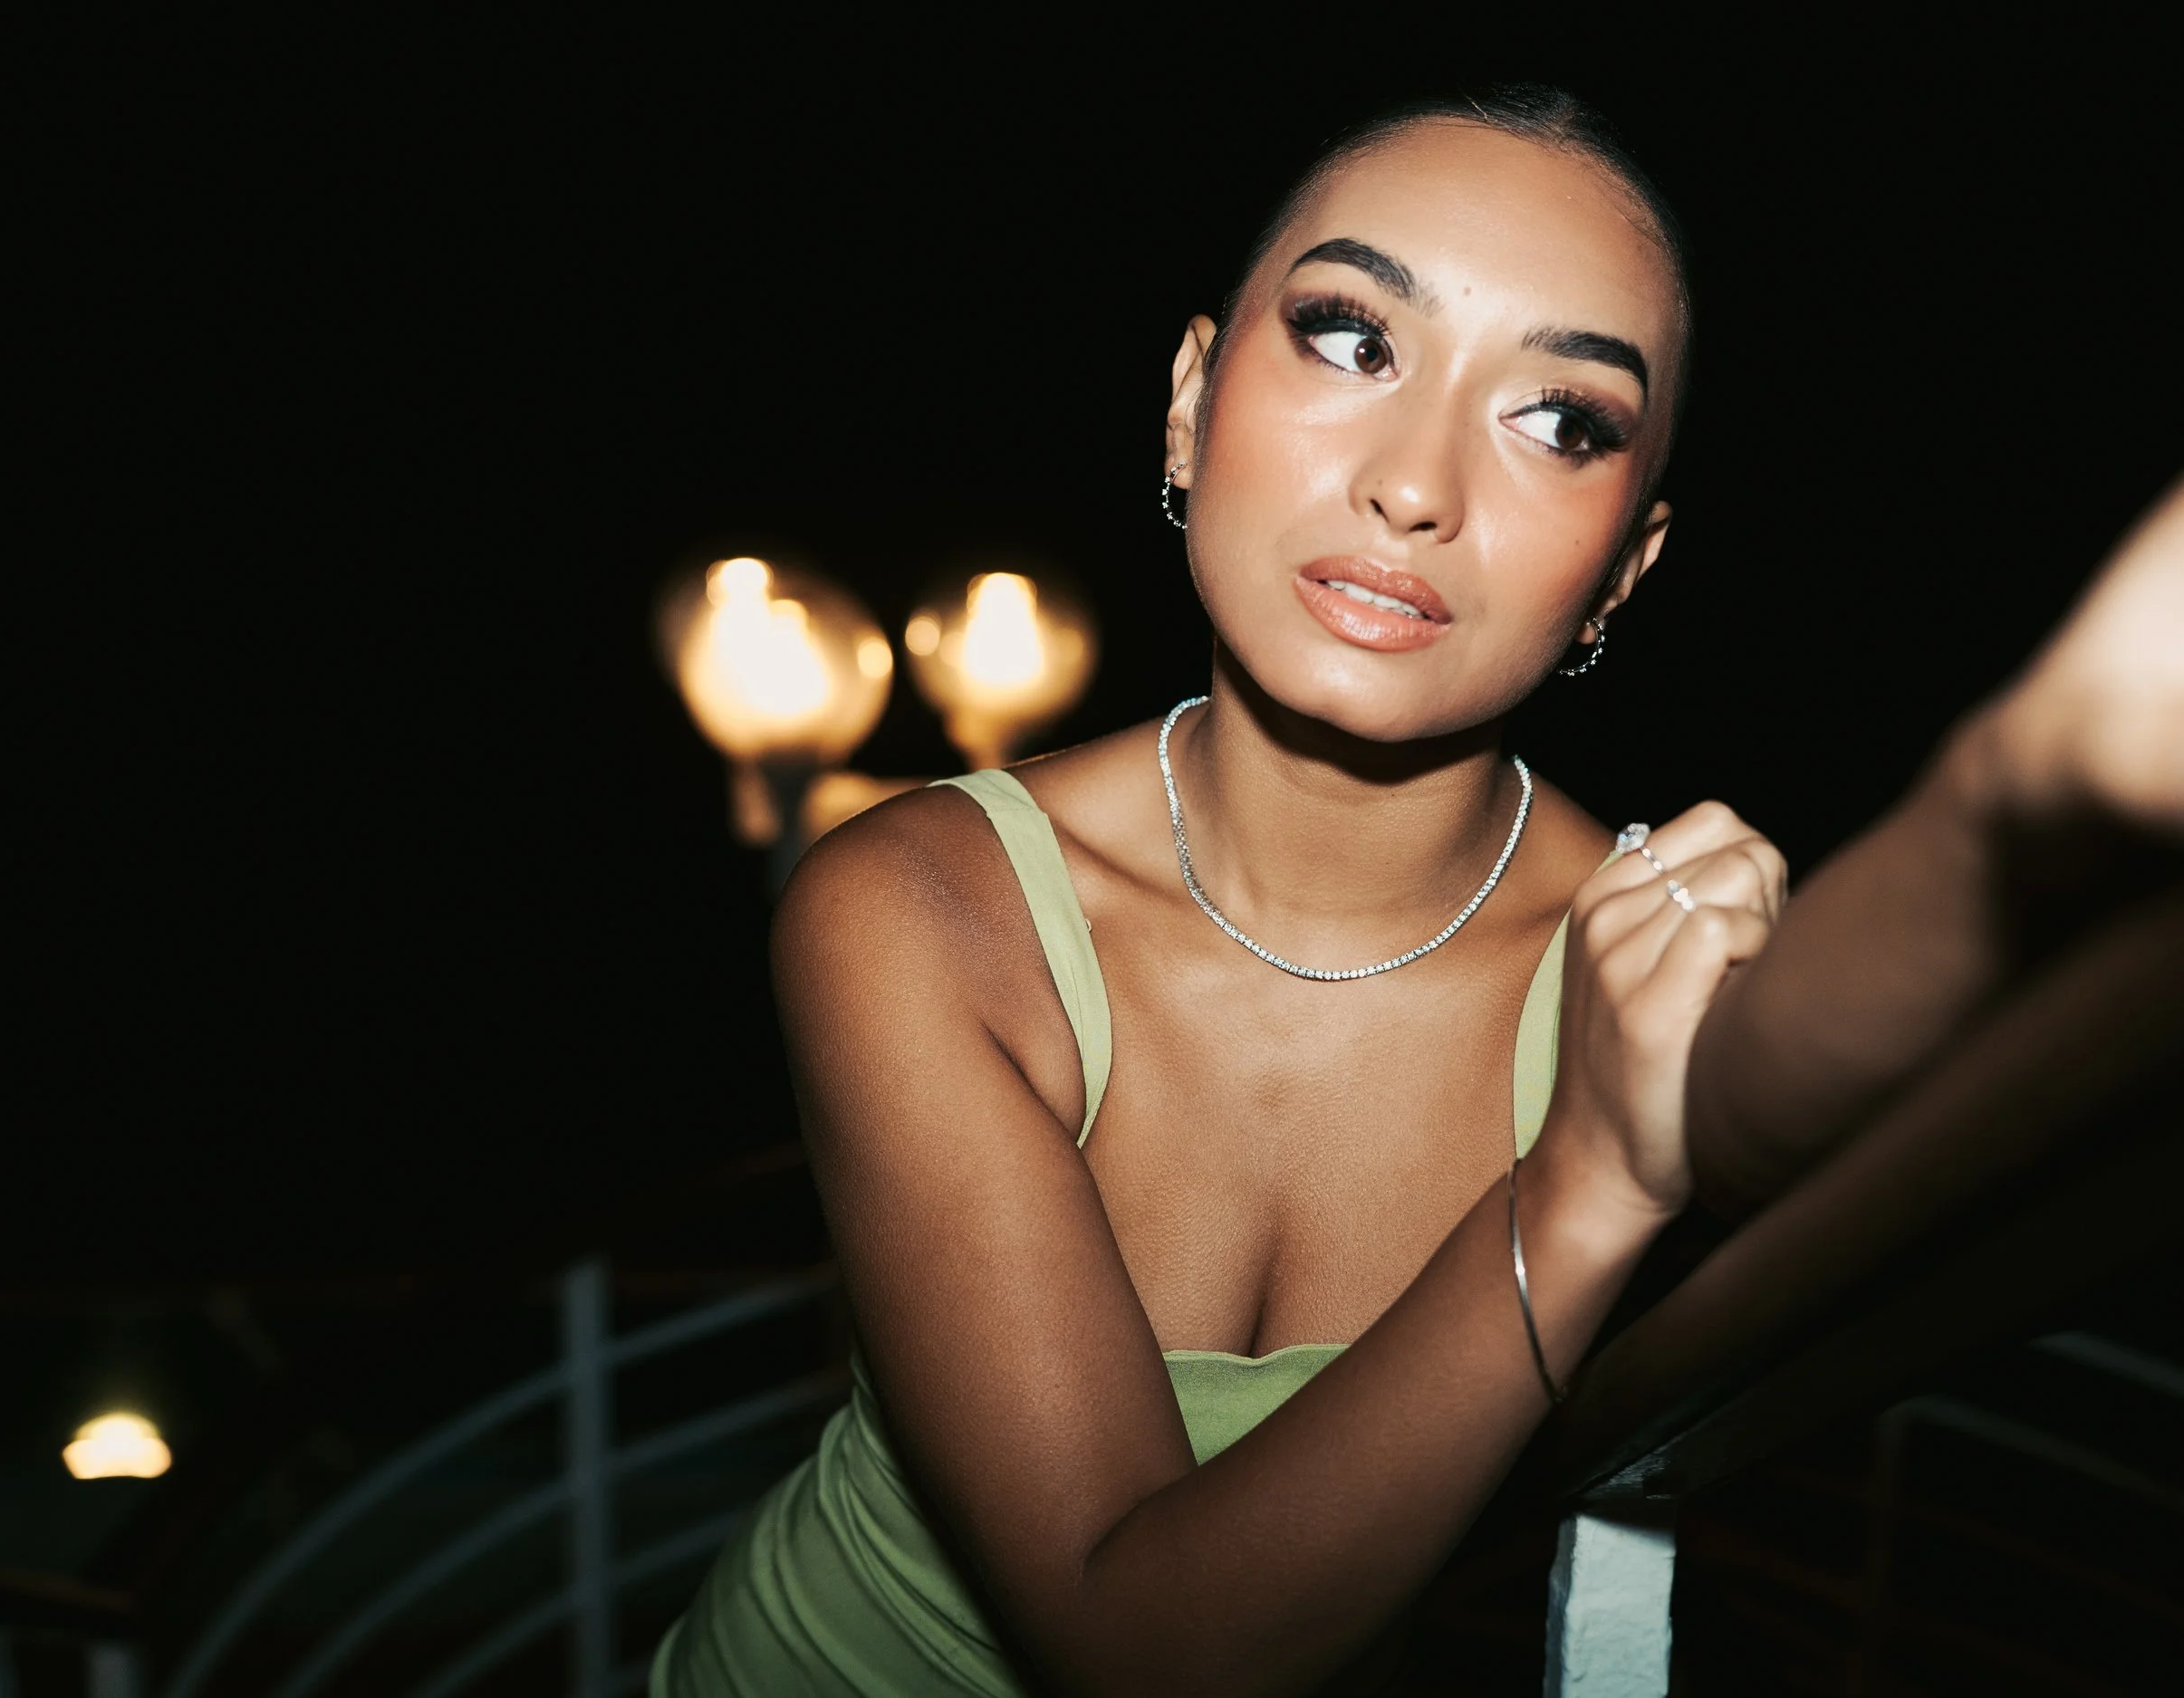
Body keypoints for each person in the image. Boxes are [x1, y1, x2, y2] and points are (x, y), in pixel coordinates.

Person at [654, 85, 2184, 1697]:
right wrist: (1582, 1181)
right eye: (1351, 338)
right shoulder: (918, 903)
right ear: (1190, 401)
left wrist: (2024, 802)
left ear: (1625, 563)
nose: (1415, 485)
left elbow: (1834, 1088)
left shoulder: (1639, 960)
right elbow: (1138, 1648)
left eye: (1562, 422)